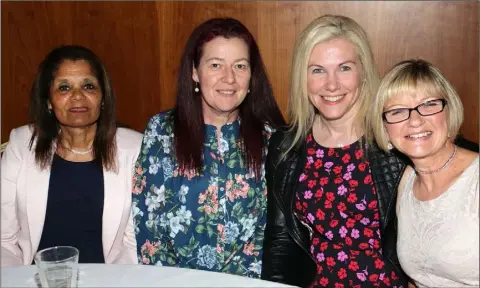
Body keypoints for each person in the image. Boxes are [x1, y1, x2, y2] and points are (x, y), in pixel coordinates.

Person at [261, 15, 409, 287]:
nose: (331, 85)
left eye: (344, 68)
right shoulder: (286, 145)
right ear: (302, 78)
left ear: (363, 71)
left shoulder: (394, 137)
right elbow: (280, 241)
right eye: (317, 70)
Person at [131, 17, 285, 278]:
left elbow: (276, 235)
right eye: (215, 65)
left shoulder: (274, 138)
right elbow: (149, 227)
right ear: (194, 72)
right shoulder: (161, 131)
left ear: (251, 75)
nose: (229, 78)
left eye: (240, 66)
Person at [1, 45, 142, 266]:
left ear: (102, 98)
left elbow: (133, 244)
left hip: (110, 280)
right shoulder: (20, 144)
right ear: (48, 101)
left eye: (88, 86)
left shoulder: (135, 149)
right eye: (64, 88)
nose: (77, 96)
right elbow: (4, 240)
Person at [369, 59, 479, 287]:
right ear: (386, 131)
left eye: (428, 105)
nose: (415, 120)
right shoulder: (406, 183)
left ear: (449, 114)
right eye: (397, 111)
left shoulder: (475, 181)